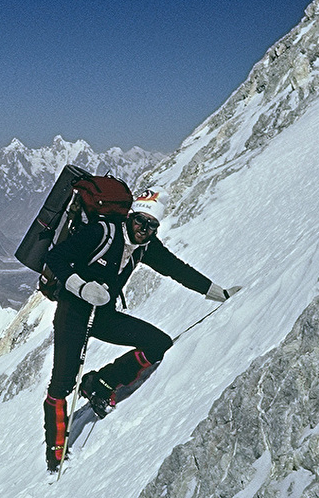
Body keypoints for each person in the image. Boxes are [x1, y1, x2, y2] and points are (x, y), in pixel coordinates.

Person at [42, 190, 234, 471]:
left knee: (157, 343)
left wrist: (218, 293)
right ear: (130, 217)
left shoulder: (146, 246)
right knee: (61, 385)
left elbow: (176, 269)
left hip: (102, 315)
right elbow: (55, 258)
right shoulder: (101, 232)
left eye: (152, 226)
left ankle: (100, 383)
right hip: (73, 314)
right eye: (140, 222)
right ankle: (54, 456)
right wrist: (81, 286)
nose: (144, 230)